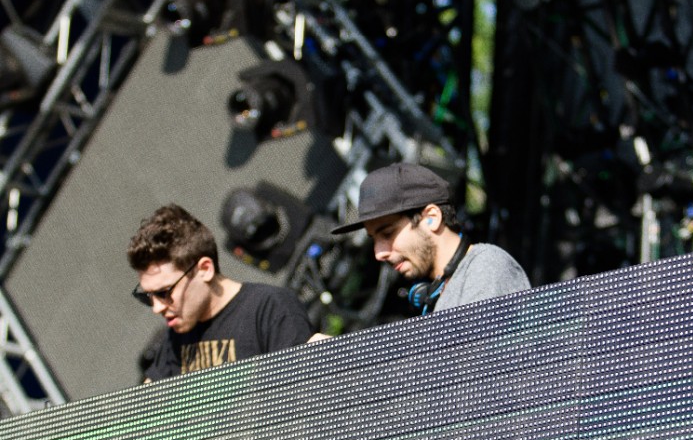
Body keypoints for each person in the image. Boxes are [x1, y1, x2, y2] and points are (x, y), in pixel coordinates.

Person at [128, 203, 316, 382]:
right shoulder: (175, 341)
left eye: (163, 293)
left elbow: (300, 394)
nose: (157, 308)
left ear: (205, 269)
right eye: (147, 297)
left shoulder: (270, 309)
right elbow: (150, 399)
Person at [332, 162, 531, 313]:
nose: (379, 253)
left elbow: (475, 355)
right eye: (374, 239)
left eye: (387, 233)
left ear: (431, 218)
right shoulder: (441, 291)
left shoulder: (487, 266)